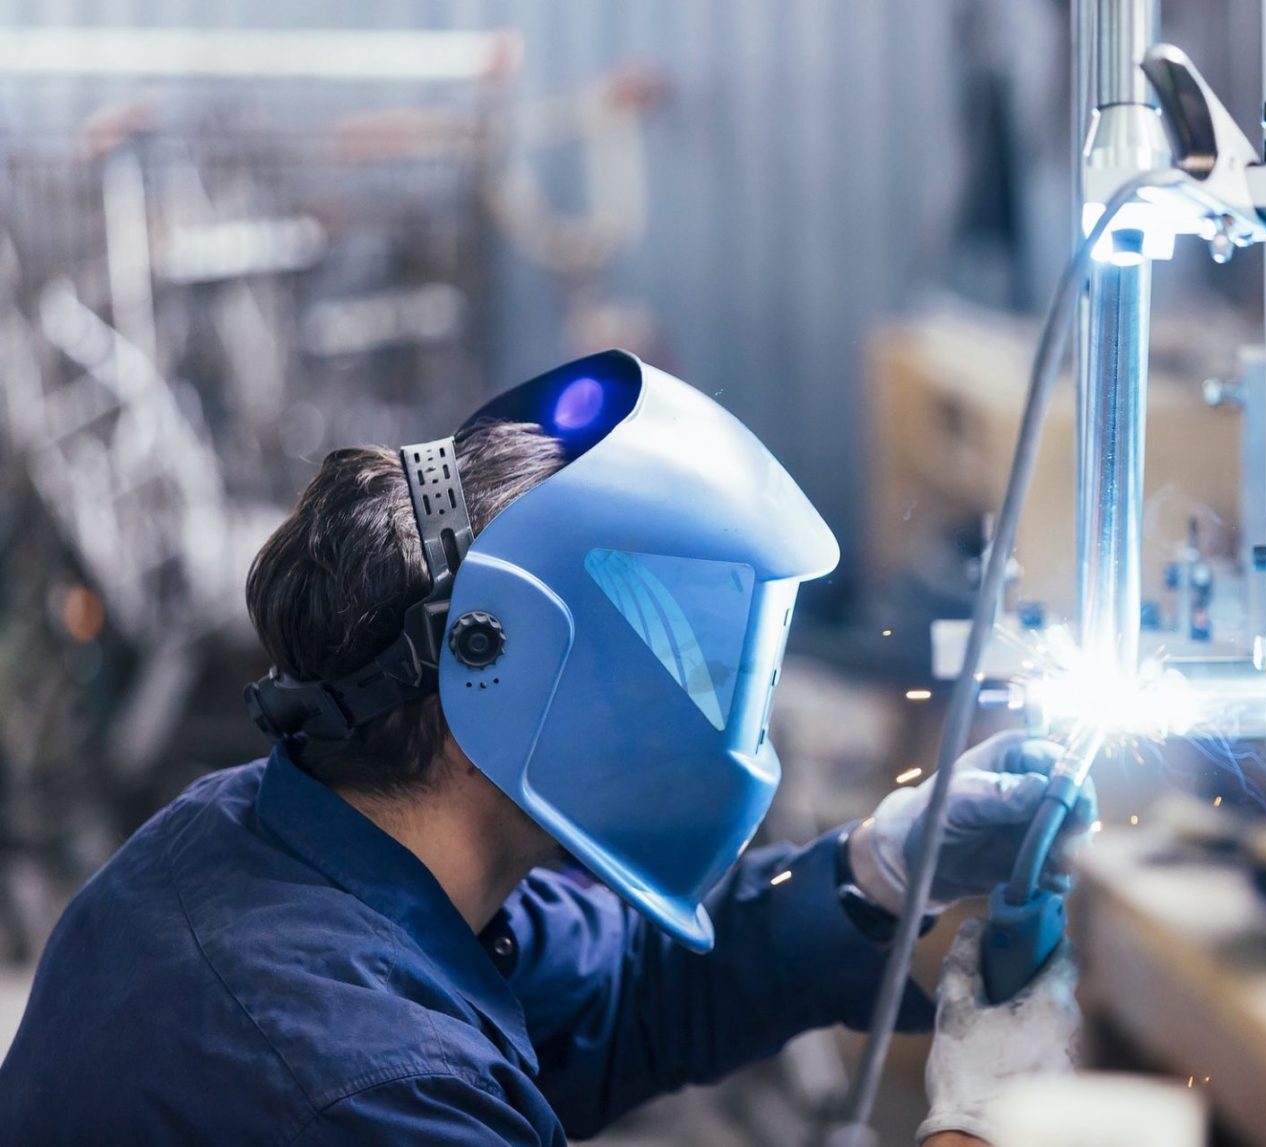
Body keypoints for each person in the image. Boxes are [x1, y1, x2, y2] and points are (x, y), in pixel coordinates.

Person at [0, 351, 1088, 1145]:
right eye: (682, 656)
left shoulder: (271, 836)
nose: (716, 703)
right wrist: (979, 1127)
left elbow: (633, 988)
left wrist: (877, 868)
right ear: (501, 664)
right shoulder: (368, 1091)